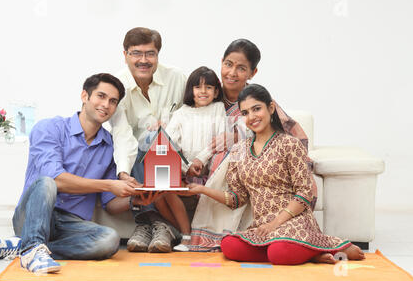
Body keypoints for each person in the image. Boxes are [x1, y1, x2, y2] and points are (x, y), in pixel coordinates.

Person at [188, 84, 365, 265]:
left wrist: (275, 224)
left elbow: (305, 192)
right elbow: (237, 198)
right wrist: (202, 190)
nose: (252, 117)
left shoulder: (290, 144)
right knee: (229, 245)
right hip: (262, 227)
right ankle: (311, 253)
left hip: (292, 222)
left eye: (257, 109)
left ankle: (328, 246)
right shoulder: (238, 149)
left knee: (279, 253)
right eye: (245, 113)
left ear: (271, 108)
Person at [0, 73, 141, 273]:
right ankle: (32, 246)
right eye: (100, 96)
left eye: (113, 101)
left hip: (70, 223)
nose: (106, 105)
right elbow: (56, 180)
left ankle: (25, 248)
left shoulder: (109, 146)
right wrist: (110, 184)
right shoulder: (49, 128)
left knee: (110, 240)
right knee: (47, 182)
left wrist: (135, 199)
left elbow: (109, 203)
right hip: (33, 214)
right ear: (85, 96)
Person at [189, 39, 317, 252]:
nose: (232, 73)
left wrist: (237, 139)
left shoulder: (257, 101)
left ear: (253, 72)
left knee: (236, 153)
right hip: (206, 167)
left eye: (241, 68)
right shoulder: (207, 94)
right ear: (221, 62)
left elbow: (289, 137)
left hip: (256, 171)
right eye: (228, 64)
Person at [108, 27, 187, 253]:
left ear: (158, 55)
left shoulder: (177, 78)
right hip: (136, 158)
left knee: (154, 138)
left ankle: (150, 222)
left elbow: (193, 113)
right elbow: (121, 133)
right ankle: (154, 223)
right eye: (136, 53)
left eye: (150, 54)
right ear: (125, 55)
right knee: (144, 140)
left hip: (174, 151)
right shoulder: (117, 84)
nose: (143, 60)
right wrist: (123, 172)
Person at [154, 66, 226, 251]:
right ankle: (186, 234)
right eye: (198, 87)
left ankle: (193, 236)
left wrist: (201, 160)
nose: (203, 91)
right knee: (161, 188)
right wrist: (186, 168)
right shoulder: (181, 113)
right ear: (190, 90)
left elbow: (220, 138)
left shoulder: (217, 109)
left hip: (209, 172)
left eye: (209, 87)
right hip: (186, 172)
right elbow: (169, 143)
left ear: (216, 91)